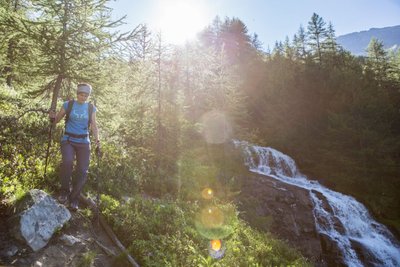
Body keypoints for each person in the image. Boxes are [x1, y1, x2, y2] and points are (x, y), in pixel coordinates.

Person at [49, 83, 100, 211]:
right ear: (77, 94)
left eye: (86, 95)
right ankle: (64, 192)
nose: (83, 97)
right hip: (68, 140)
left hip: (84, 142)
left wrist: (97, 140)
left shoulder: (91, 108)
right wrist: (52, 118)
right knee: (67, 162)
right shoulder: (68, 105)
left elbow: (93, 125)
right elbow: (57, 120)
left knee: (82, 170)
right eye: (81, 94)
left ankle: (74, 198)